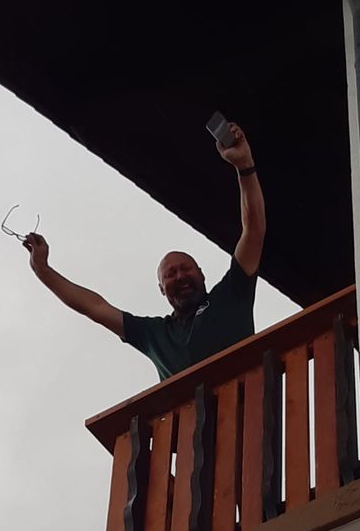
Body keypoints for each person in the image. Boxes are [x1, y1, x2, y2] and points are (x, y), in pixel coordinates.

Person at [22, 123, 266, 382]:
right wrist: (43, 270)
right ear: (161, 289)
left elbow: (253, 231)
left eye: (185, 268)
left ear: (201, 274)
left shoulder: (231, 296)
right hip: (189, 410)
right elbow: (94, 307)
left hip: (247, 407)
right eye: (170, 274)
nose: (179, 276)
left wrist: (244, 166)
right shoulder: (154, 334)